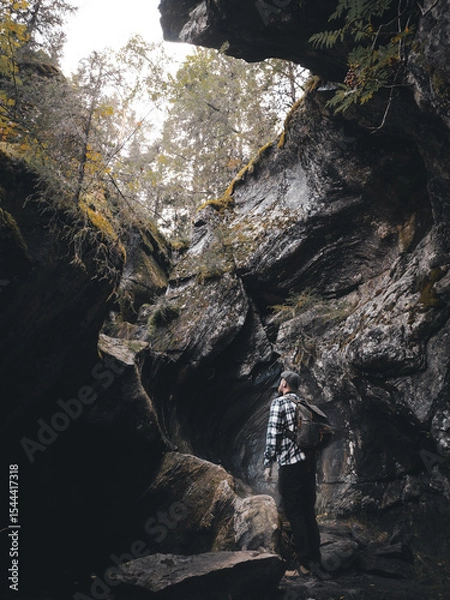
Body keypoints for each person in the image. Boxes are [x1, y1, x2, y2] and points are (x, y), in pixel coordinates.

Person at [264, 370, 328, 579]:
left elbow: (272, 436)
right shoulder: (305, 405)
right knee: (309, 512)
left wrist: (268, 464)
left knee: (295, 513)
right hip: (308, 467)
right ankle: (316, 561)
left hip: (290, 467)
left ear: (284, 383)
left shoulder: (279, 403)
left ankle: (304, 564)